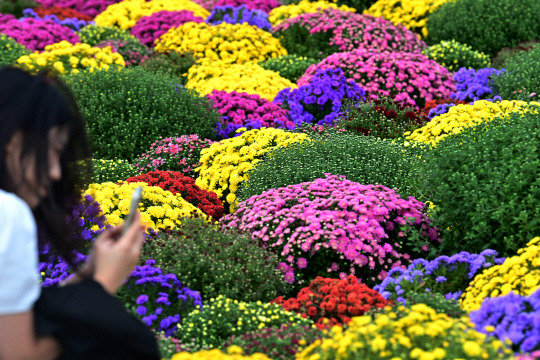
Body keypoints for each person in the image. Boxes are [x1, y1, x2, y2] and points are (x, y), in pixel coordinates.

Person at [0, 66, 160, 359]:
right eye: (52, 150)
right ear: (14, 141)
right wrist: (102, 285)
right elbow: (18, 353)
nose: (55, 172)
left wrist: (86, 278)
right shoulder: (8, 212)